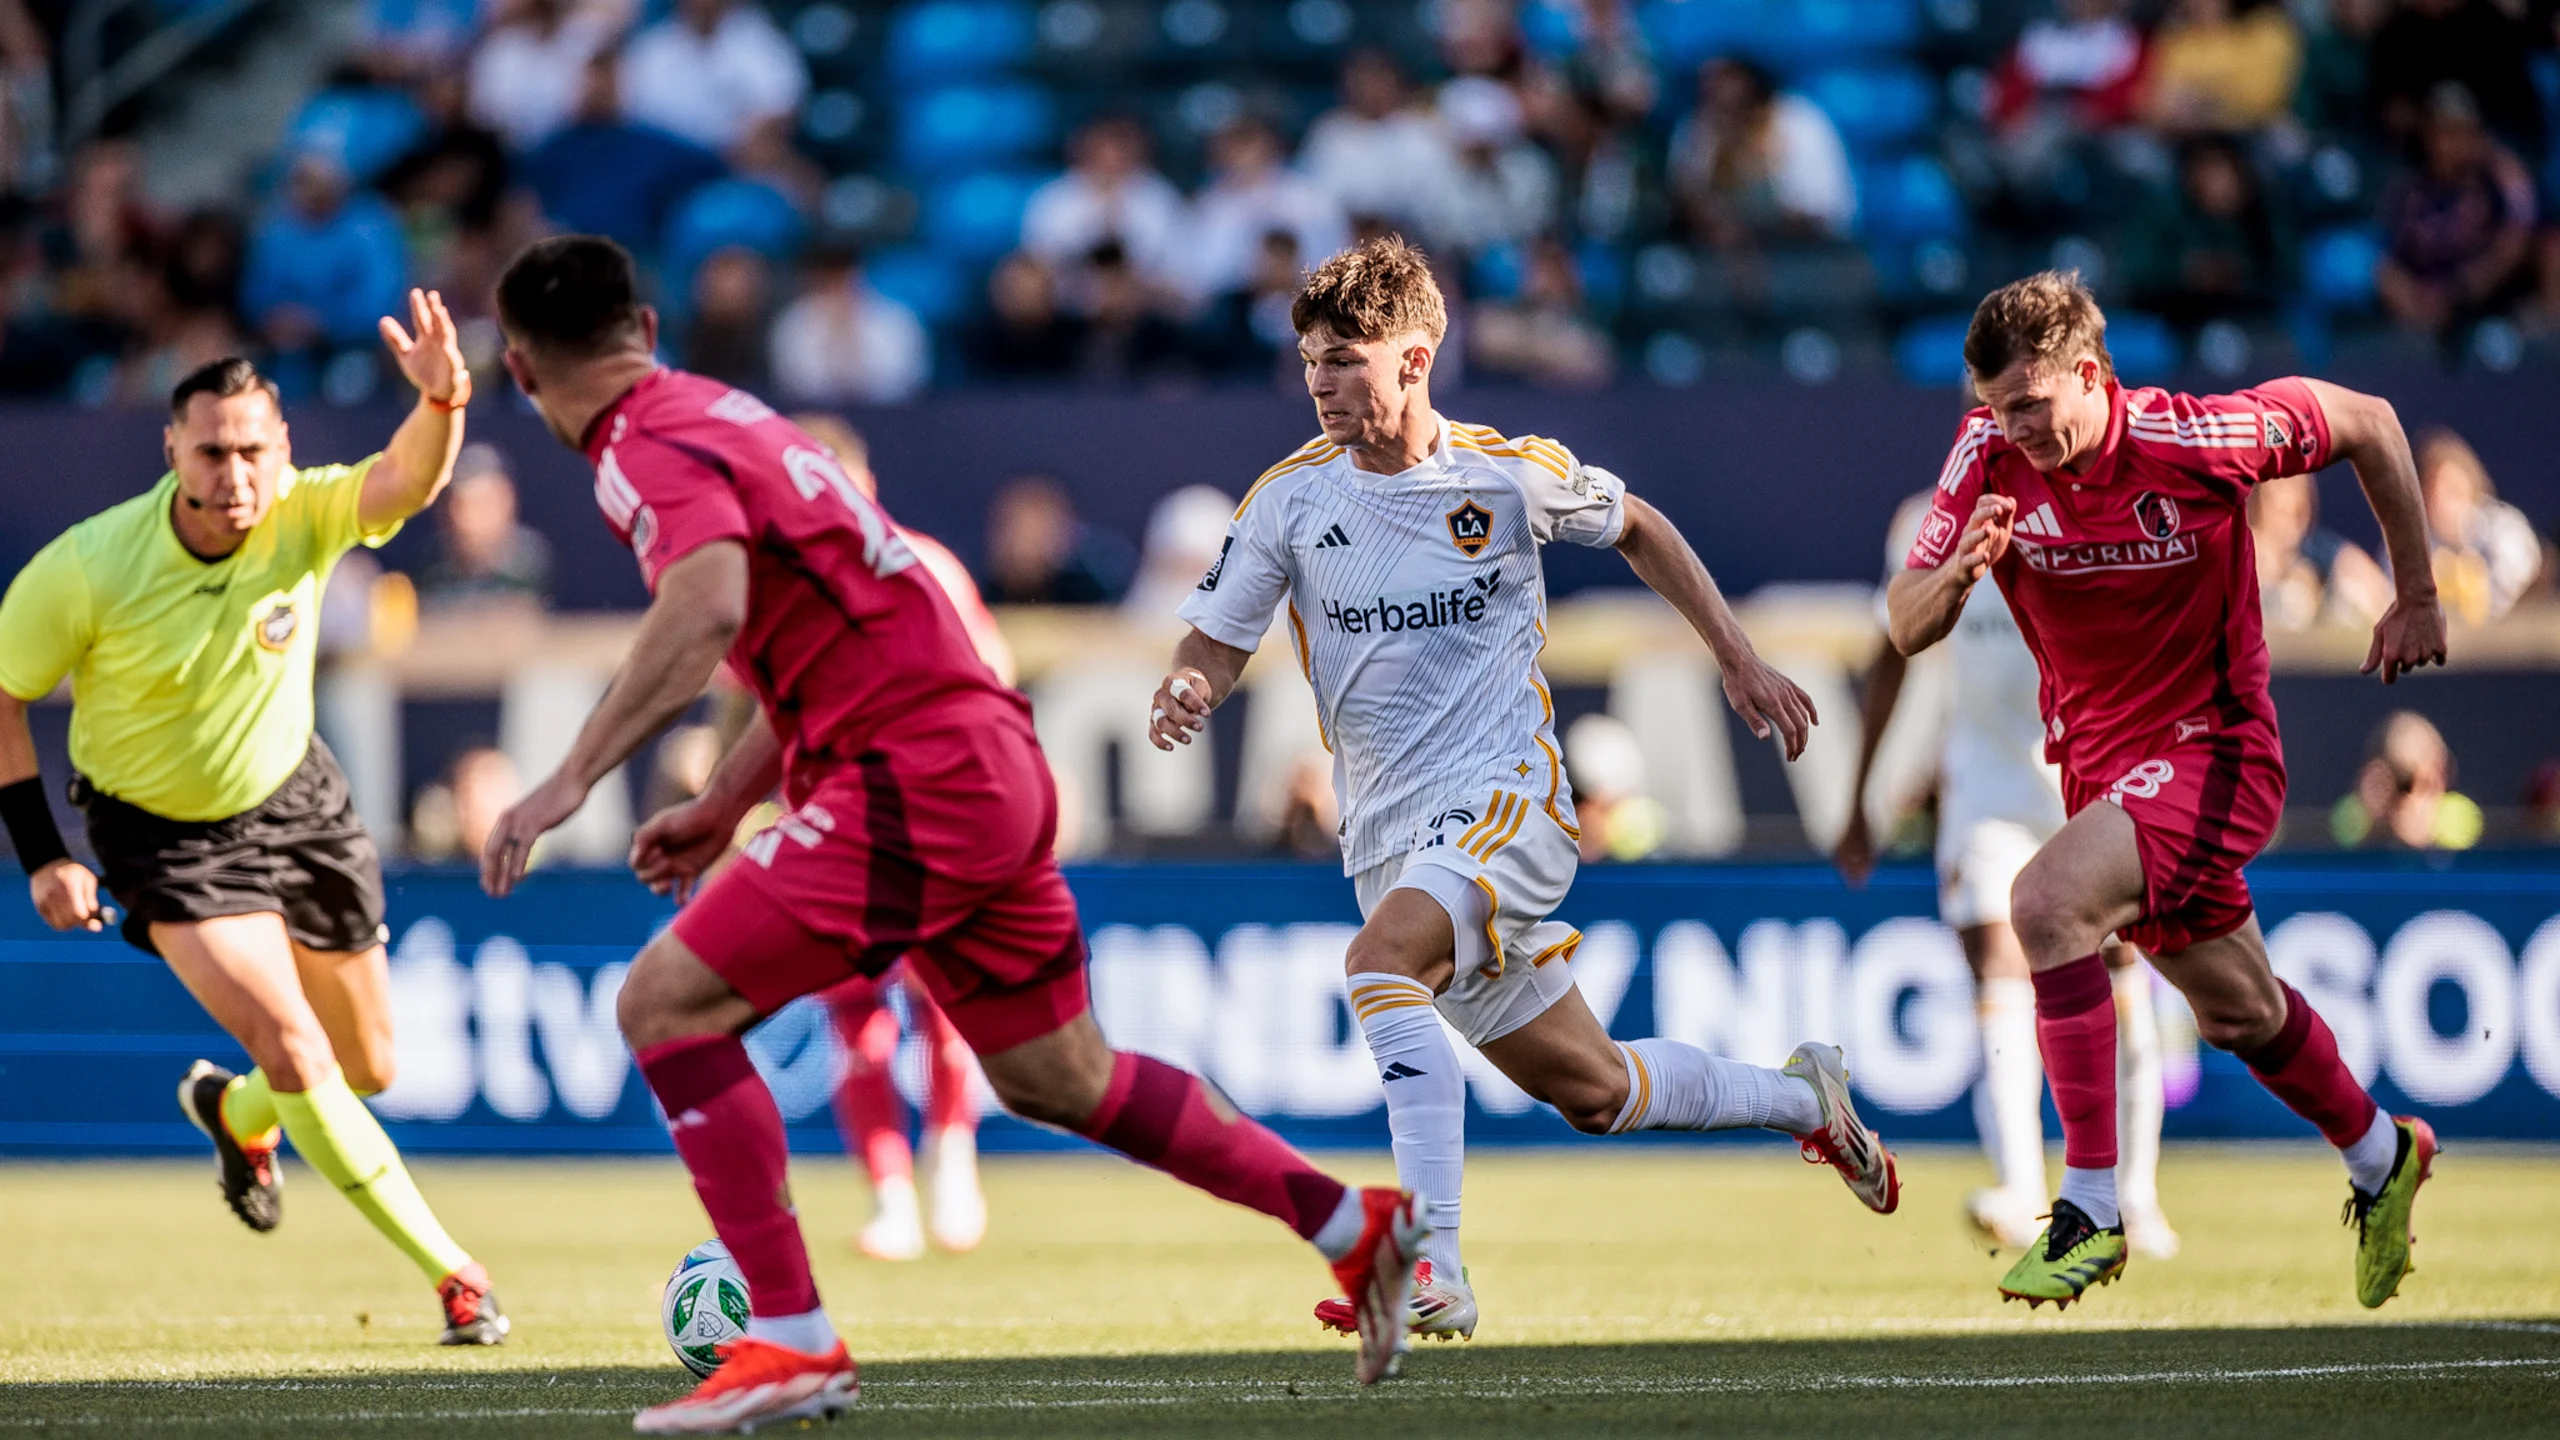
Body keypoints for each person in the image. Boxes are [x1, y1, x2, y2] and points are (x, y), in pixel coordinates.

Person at [477, 235, 1427, 1432]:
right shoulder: (730, 416)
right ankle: (1352, 1224)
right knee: (1059, 1077)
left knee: (663, 1005)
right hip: (986, 758)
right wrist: (721, 803)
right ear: (649, 333)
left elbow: (705, 604)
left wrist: (569, 778)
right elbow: (817, 640)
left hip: (909, 773)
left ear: (522, 370)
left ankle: (793, 1339)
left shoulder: (640, 447)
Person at [1147, 237, 1897, 1345]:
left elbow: (1641, 526)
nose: (1320, 383)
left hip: (1508, 801)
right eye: (1310, 362)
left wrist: (1736, 659)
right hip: (1388, 836)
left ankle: (1430, 1263)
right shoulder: (1288, 501)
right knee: (1596, 1091)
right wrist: (1187, 686)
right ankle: (1805, 1099)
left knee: (1379, 963)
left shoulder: (1504, 475)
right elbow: (1216, 640)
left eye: (1345, 360)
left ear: (1415, 357)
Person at [1888, 269, 2447, 1310]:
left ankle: (2093, 1205)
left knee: (2043, 904)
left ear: (2091, 373)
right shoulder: (1983, 455)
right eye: (1998, 409)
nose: (2016, 429)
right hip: (2101, 773)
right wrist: (1956, 573)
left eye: (2031, 405)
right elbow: (1903, 619)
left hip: (2216, 752)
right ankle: (2381, 1153)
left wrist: (2415, 592)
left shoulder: (2195, 438)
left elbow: (2369, 421)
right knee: (2240, 1013)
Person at [0, 304, 504, 1344]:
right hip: (163, 837)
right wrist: (44, 855)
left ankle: (236, 1115)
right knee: (290, 1040)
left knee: (369, 1067)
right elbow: (4, 693)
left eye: (254, 452)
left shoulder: (304, 513)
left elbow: (408, 480)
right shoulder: (90, 564)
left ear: (283, 451)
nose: (235, 475)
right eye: (213, 452)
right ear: (171, 451)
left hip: (296, 803)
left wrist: (443, 398)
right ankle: (456, 1277)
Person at [1835, 492, 2177, 1260]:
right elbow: (1893, 651)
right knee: (1998, 963)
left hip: (2090, 778)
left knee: (2118, 971)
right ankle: (2022, 1190)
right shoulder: (1923, 523)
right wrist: (1860, 797)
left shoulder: (2095, 502)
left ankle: (2135, 1195)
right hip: (1986, 791)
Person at [417, 445, 553, 614]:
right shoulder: (432, 563)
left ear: (505, 501)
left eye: (481, 504)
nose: (467, 519)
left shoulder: (527, 561)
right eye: (459, 505)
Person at [2331, 710, 2481, 851]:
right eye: (2403, 785)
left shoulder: (2462, 828)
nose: (2410, 799)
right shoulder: (2352, 824)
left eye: (2425, 785)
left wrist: (2424, 841)